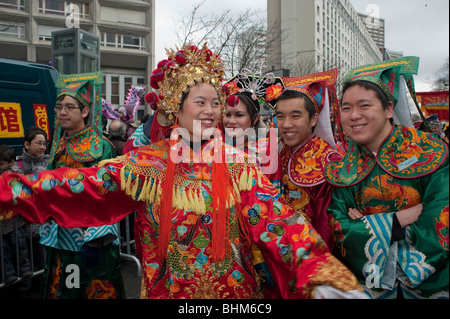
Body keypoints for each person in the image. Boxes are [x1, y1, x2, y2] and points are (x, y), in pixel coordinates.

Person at [0, 43, 366, 299]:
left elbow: (278, 222)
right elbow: (82, 186)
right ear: (177, 108)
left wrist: (318, 271)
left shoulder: (239, 167)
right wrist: (12, 191)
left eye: (216, 102)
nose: (211, 110)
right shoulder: (146, 166)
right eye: (200, 102)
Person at [325, 60, 449, 299]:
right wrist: (400, 219)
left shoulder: (430, 151)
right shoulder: (343, 169)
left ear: (389, 109)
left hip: (435, 286)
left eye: (364, 105)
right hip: (372, 288)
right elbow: (340, 229)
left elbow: (441, 215)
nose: (354, 116)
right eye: (347, 108)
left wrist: (370, 224)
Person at [37, 71, 125, 299]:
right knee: (67, 288)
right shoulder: (58, 146)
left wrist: (95, 239)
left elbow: (107, 194)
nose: (62, 112)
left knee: (89, 287)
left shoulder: (100, 147)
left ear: (85, 111)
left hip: (89, 241)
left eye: (69, 107)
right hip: (61, 237)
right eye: (58, 107)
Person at [276, 69, 343, 250]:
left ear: (313, 119)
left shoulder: (329, 163)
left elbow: (326, 228)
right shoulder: (278, 152)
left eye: (295, 116)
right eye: (280, 116)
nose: (286, 124)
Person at [12, 127, 49, 270]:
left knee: (45, 253)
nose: (42, 147)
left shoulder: (50, 162)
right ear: (26, 145)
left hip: (47, 218)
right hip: (25, 220)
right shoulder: (16, 165)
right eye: (38, 143)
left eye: (44, 143)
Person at [0, 144, 33, 287]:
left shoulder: (16, 173)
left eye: (1, 164)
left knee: (20, 246)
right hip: (2, 223)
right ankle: (9, 274)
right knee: (4, 251)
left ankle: (25, 271)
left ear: (11, 162)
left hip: (15, 221)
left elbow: (20, 191)